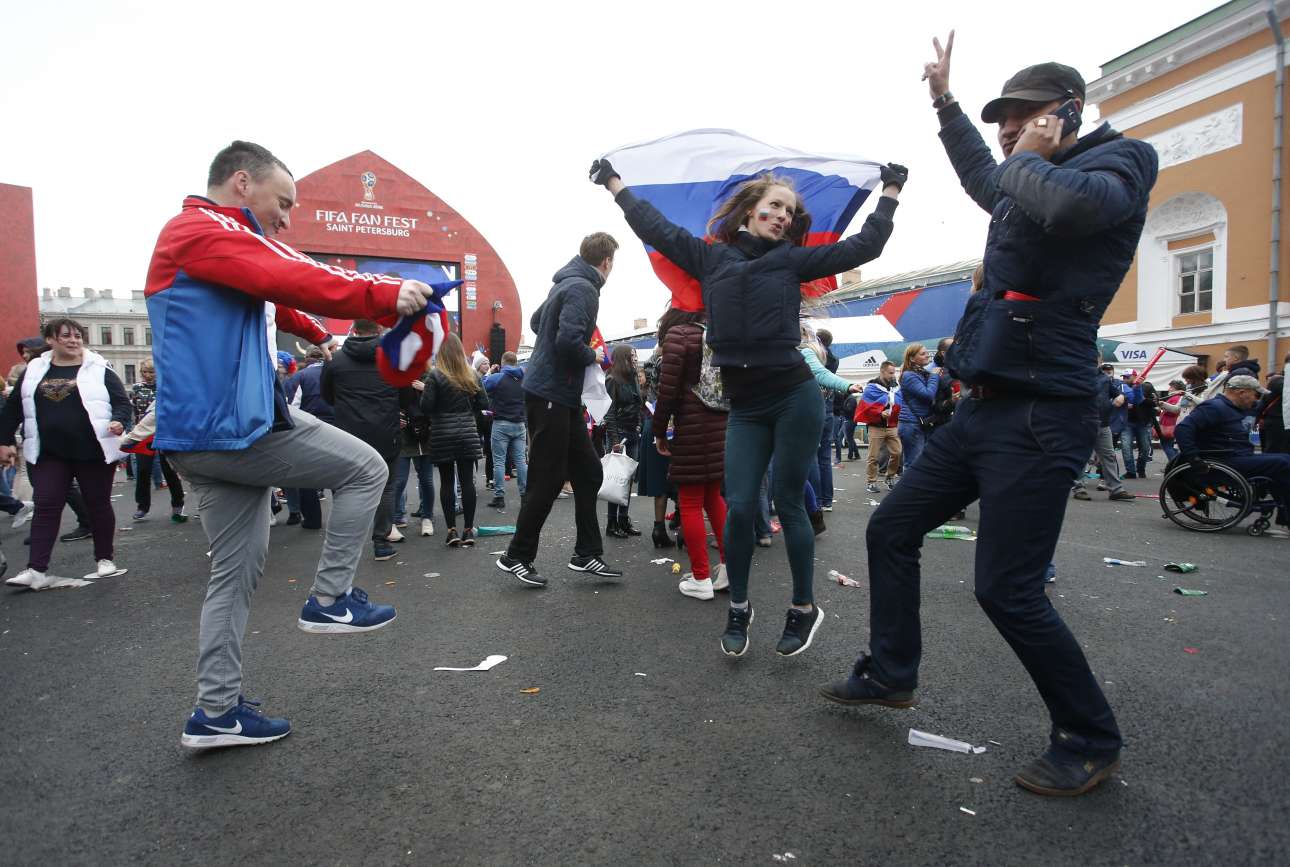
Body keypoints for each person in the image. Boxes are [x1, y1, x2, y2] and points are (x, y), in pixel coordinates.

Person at [821, 39, 1158, 797]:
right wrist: (946, 105)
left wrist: (1028, 156)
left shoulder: (1122, 160)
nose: (1007, 129)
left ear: (1069, 111)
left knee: (1008, 589)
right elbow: (986, 175)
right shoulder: (1018, 174)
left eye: (1022, 115)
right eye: (1000, 118)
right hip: (982, 407)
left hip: (1044, 412)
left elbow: (1071, 206)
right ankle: (891, 672)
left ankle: (1090, 737)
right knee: (890, 528)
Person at [146, 140, 440, 749]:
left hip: (204, 436)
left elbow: (271, 297)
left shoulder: (207, 243)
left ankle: (216, 713)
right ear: (242, 182)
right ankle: (331, 598)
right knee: (366, 469)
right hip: (234, 429)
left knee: (232, 578)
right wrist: (385, 292)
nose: (286, 218)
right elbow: (287, 271)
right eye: (283, 202)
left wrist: (317, 334)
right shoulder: (202, 228)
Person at [591, 153, 904, 657]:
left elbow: (866, 245)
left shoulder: (792, 260)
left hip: (794, 396)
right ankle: (738, 606)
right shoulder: (711, 258)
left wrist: (889, 194)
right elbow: (654, 226)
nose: (782, 215)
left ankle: (803, 607)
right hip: (745, 407)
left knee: (788, 502)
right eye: (775, 205)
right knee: (738, 507)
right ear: (749, 211)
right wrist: (614, 183)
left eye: (790, 211)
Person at [495, 234, 625, 586]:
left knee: (588, 472)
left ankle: (587, 553)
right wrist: (593, 354)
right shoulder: (584, 288)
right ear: (607, 262)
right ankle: (516, 555)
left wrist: (554, 346)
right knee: (547, 478)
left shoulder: (565, 282)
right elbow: (568, 342)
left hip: (556, 393)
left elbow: (537, 322)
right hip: (551, 391)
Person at [1, 318, 131, 589]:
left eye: (77, 336)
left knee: (97, 503)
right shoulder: (34, 370)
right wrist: (4, 440)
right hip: (48, 452)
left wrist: (119, 420)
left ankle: (104, 558)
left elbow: (122, 402)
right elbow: (13, 407)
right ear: (50, 340)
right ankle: (36, 570)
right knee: (46, 504)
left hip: (92, 450)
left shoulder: (98, 366)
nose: (73, 341)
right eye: (66, 336)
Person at [652, 307, 729, 600]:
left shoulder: (679, 335)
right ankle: (729, 569)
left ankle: (700, 578)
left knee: (691, 501)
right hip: (720, 424)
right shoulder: (717, 332)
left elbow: (667, 391)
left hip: (692, 426)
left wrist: (659, 430)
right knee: (714, 497)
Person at [321, 319, 411, 560]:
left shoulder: (335, 359)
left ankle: (344, 544)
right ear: (380, 329)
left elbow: (327, 396)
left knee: (345, 487)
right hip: (386, 433)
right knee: (386, 487)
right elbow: (405, 397)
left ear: (354, 330)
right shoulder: (394, 359)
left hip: (348, 435)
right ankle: (381, 542)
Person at [1176, 374, 1290, 538]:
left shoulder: (1237, 409)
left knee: (1283, 460)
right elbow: (1183, 429)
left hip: (1238, 456)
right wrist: (1193, 458)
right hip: (1225, 461)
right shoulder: (1214, 407)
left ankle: (1285, 513)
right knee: (1283, 463)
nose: (1257, 399)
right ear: (1242, 392)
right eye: (1255, 394)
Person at [421, 333, 488, 547]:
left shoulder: (435, 375)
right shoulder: (471, 374)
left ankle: (452, 531)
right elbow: (484, 403)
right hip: (467, 432)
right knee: (467, 481)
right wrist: (469, 413)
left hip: (442, 433)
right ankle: (469, 529)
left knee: (447, 482)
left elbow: (426, 406)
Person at [128, 357, 186, 522]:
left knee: (169, 470)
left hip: (165, 432)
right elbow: (135, 410)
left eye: (151, 372)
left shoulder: (167, 387)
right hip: (143, 434)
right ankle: (142, 506)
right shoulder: (137, 388)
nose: (148, 375)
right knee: (143, 470)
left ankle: (178, 504)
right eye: (144, 372)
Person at [283, 346, 332, 529]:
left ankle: (312, 520)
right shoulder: (337, 373)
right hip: (340, 428)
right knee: (343, 477)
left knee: (306, 477)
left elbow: (291, 408)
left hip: (310, 431)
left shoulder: (300, 377)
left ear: (306, 357)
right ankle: (345, 520)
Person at [1072, 363, 1133, 502]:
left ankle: (1116, 489)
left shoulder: (1104, 378)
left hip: (1103, 423)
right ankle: (1079, 488)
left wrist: (1121, 396)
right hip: (1083, 422)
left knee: (1109, 456)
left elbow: (1116, 392)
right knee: (1082, 456)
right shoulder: (1077, 374)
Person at [603, 345, 644, 537]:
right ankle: (612, 523)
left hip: (633, 432)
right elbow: (609, 412)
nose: (635, 359)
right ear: (623, 358)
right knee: (617, 479)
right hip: (619, 434)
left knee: (627, 480)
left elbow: (637, 404)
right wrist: (614, 439)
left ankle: (623, 520)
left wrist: (639, 425)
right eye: (631, 356)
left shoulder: (633, 376)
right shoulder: (612, 379)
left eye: (635, 355)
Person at [637, 352, 675, 548]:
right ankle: (683, 527)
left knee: (659, 479)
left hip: (652, 423)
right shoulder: (672, 360)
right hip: (670, 425)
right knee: (681, 477)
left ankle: (658, 528)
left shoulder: (652, 363)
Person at [394, 368, 436, 535]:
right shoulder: (393, 375)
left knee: (426, 480)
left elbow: (442, 402)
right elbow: (382, 401)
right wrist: (394, 415)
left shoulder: (430, 375)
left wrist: (426, 389)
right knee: (399, 481)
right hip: (403, 437)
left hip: (425, 435)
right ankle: (392, 519)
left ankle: (427, 517)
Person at [484, 351, 528, 510]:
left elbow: (482, 386)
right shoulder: (525, 378)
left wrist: (489, 372)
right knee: (521, 461)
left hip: (501, 423)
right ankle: (525, 496)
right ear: (516, 362)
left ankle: (499, 497)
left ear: (503, 362)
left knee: (499, 461)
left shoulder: (497, 378)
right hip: (520, 424)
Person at [856, 361, 903, 494]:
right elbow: (865, 407)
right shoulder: (871, 388)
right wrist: (879, 412)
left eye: (894, 373)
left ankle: (890, 477)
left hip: (892, 425)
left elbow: (900, 401)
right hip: (876, 426)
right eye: (890, 373)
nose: (893, 375)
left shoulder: (895, 387)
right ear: (882, 372)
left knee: (897, 453)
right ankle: (871, 481)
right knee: (873, 456)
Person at [897, 343, 939, 471]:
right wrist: (934, 376)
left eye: (927, 353)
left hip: (916, 423)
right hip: (911, 424)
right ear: (912, 358)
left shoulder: (920, 373)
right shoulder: (909, 376)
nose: (927, 356)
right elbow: (928, 395)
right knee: (913, 464)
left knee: (917, 463)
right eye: (922, 354)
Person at [1120, 370, 1156, 478]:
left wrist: (1142, 399)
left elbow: (1155, 402)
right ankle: (1130, 471)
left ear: (1135, 376)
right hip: (1127, 423)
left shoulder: (1147, 386)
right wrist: (1124, 404)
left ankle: (1141, 469)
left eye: (1127, 377)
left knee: (1145, 448)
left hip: (1143, 423)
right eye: (1124, 377)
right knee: (1126, 447)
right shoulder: (1121, 388)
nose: (1125, 379)